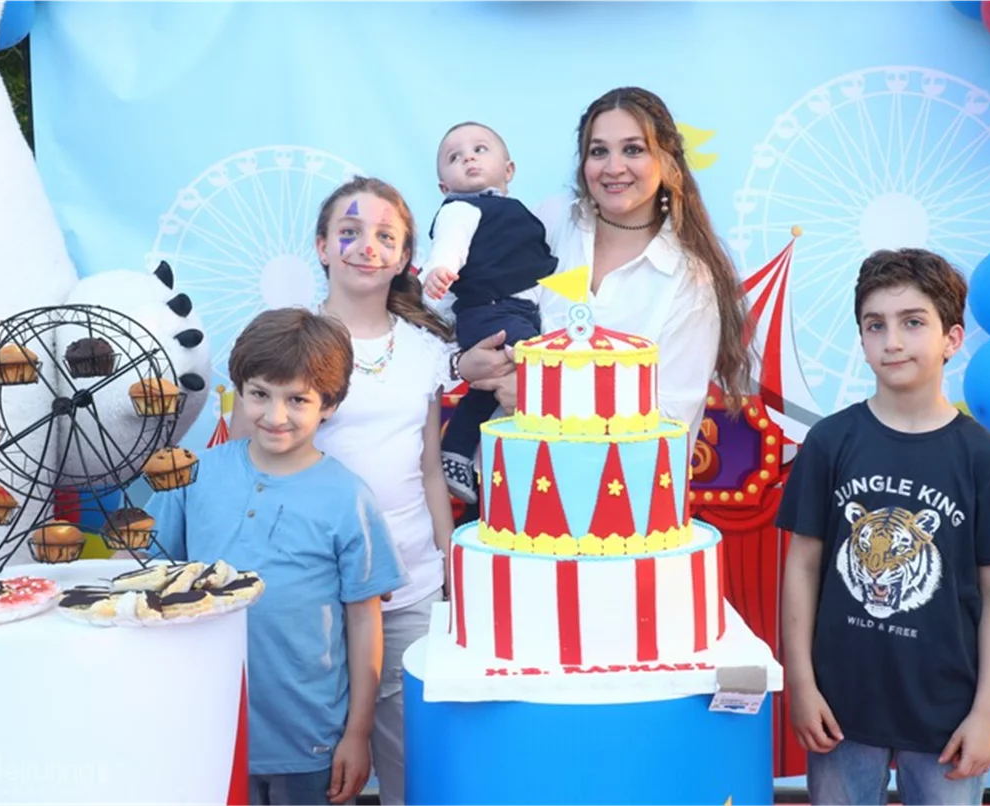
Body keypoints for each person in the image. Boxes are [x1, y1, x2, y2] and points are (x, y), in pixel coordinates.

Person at [776, 248, 990, 805]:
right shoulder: (830, 442)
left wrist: (987, 714)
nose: (892, 341)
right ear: (862, 338)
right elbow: (803, 566)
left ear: (951, 339)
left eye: (912, 322)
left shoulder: (984, 459)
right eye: (876, 325)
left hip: (947, 711)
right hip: (841, 705)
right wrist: (801, 684)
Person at [147, 307, 407, 806]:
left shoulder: (349, 497)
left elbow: (364, 620)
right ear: (240, 389)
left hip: (310, 739)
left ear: (329, 404)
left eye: (297, 399)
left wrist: (358, 733)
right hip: (209, 729)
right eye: (260, 394)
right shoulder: (192, 474)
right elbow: (151, 581)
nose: (275, 415)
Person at [455, 86, 750, 445]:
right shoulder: (549, 220)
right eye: (598, 151)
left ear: (668, 160)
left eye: (633, 149)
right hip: (507, 470)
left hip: (619, 478)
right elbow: (471, 298)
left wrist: (543, 399)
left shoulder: (690, 279)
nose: (614, 168)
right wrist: (462, 363)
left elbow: (671, 419)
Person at [309, 176, 457, 806]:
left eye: (384, 237)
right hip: (311, 594)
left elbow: (429, 469)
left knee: (410, 764)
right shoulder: (290, 340)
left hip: (408, 585)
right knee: (314, 766)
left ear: (403, 258)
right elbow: (247, 462)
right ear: (322, 247)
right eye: (349, 232)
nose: (366, 247)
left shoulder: (426, 350)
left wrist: (450, 569)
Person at [420, 121, 558, 505]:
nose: (468, 158)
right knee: (538, 363)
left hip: (517, 311)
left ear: (508, 169)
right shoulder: (460, 209)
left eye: (480, 149)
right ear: (444, 187)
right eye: (454, 157)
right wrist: (441, 270)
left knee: (492, 387)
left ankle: (457, 450)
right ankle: (533, 446)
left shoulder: (519, 214)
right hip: (487, 311)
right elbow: (451, 243)